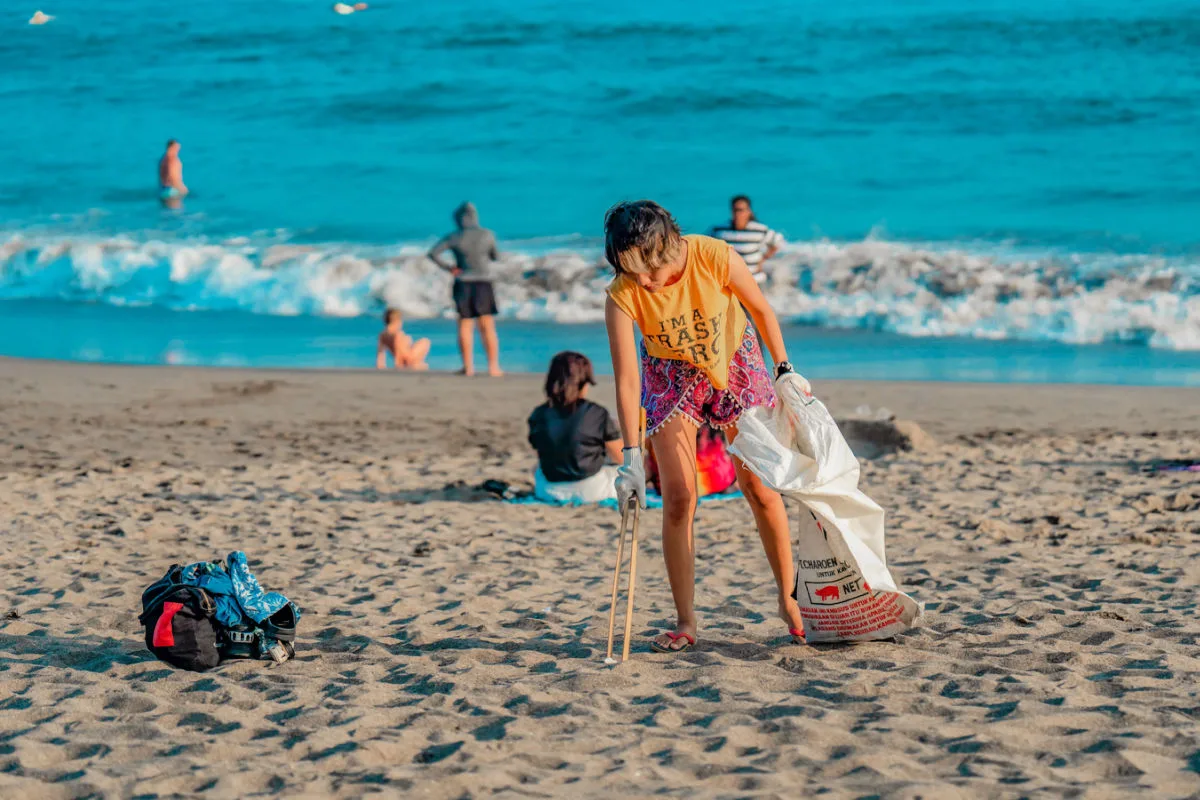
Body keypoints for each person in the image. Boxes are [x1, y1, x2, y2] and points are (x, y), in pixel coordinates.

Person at [603, 200, 804, 653]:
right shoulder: (622, 293)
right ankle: (686, 620)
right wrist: (631, 457)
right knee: (678, 497)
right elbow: (627, 378)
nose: (643, 281)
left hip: (733, 356)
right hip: (668, 371)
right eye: (631, 271)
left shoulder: (713, 255)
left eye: (648, 270)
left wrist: (784, 369)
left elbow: (760, 310)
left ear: (667, 247)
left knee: (761, 489)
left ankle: (790, 601)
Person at [528, 352, 624, 504]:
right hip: (592, 490)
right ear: (584, 381)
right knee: (628, 468)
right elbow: (621, 457)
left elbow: (542, 453)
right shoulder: (596, 413)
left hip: (548, 490)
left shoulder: (538, 414)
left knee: (537, 467)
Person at [427, 202, 502, 377]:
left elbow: (433, 254)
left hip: (463, 282)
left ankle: (468, 367)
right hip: (483, 282)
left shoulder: (454, 236)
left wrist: (449, 268)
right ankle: (493, 367)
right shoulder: (487, 234)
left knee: (465, 325)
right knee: (487, 325)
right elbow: (495, 257)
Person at [708, 195, 784, 285]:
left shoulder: (759, 229)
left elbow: (777, 242)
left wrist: (763, 259)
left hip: (754, 280)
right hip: (728, 282)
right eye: (735, 210)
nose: (737, 214)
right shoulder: (719, 230)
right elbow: (704, 247)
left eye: (741, 210)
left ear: (748, 212)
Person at [158, 140, 188, 207]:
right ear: (172, 147)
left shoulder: (163, 159)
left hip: (163, 189)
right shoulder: (172, 160)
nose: (178, 150)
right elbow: (172, 176)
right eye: (177, 148)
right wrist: (182, 188)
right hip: (172, 190)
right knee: (176, 211)